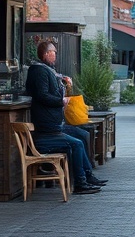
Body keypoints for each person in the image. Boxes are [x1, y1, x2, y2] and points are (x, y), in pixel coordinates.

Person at [25, 40, 107, 193]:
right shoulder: (39, 71)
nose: (55, 55)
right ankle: (80, 183)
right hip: (47, 131)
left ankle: (88, 176)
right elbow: (42, 95)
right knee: (77, 144)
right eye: (53, 52)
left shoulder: (48, 70)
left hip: (55, 126)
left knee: (83, 134)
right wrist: (61, 101)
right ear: (46, 54)